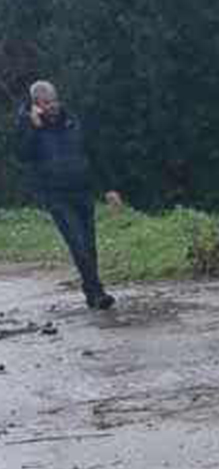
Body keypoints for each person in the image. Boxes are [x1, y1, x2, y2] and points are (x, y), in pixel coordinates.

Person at [15, 80, 112, 310]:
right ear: (36, 104)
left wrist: (109, 187)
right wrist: (33, 127)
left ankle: (92, 293)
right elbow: (23, 156)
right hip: (55, 195)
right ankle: (98, 291)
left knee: (89, 245)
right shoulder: (27, 125)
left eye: (54, 101)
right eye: (46, 103)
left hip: (82, 190)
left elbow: (94, 152)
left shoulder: (73, 121)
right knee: (77, 243)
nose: (52, 106)